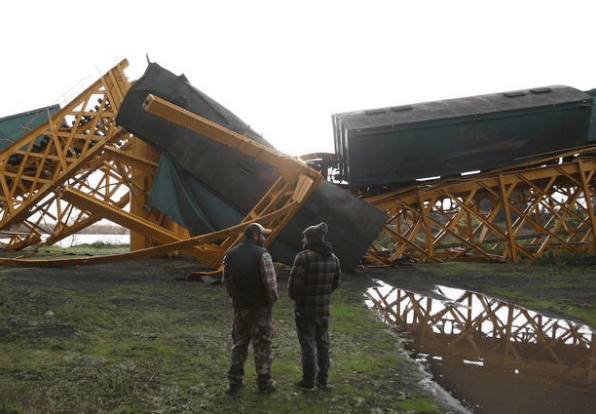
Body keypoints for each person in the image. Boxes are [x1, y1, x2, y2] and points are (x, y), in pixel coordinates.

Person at [222, 222, 278, 395]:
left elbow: (227, 281)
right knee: (262, 347)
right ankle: (264, 383)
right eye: (262, 235)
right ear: (255, 234)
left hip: (239, 308)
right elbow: (271, 287)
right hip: (259, 309)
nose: (264, 239)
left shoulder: (230, 254)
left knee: (239, 345)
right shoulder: (263, 255)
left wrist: (236, 297)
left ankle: (234, 382)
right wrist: (269, 307)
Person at [288, 222, 341, 391]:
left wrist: (296, 297)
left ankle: (308, 381)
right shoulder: (334, 258)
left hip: (304, 309)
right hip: (323, 309)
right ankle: (323, 381)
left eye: (304, 237)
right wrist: (323, 295)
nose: (302, 240)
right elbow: (336, 283)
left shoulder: (303, 257)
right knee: (323, 343)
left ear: (310, 239)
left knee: (308, 344)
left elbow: (293, 285)